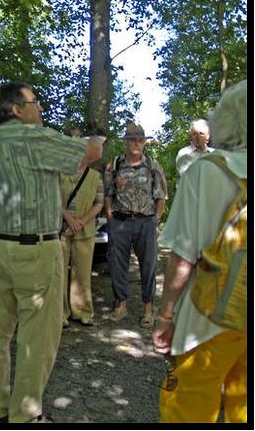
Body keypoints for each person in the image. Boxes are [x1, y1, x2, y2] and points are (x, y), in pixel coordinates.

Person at [0, 82, 105, 423]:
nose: (40, 107)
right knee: (37, 338)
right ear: (17, 109)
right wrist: (97, 140)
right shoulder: (37, 137)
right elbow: (90, 154)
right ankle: (25, 416)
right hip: (37, 250)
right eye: (35, 101)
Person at [152, 80, 247, 423]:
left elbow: (183, 258)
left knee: (189, 408)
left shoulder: (206, 172)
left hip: (209, 319)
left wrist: (165, 316)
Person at [103, 123, 168, 327]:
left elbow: (161, 194)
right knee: (117, 264)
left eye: (140, 140)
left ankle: (148, 308)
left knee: (148, 266)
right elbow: (108, 193)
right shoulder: (114, 165)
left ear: (144, 143)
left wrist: (155, 218)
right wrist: (109, 215)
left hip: (145, 221)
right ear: (125, 141)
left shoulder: (152, 165)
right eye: (132, 139)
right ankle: (121, 305)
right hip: (120, 221)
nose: (136, 143)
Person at [60, 127, 104, 327]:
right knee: (58, 273)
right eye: (97, 148)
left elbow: (99, 203)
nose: (100, 152)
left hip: (84, 230)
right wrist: (69, 219)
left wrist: (80, 222)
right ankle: (60, 313)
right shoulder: (60, 172)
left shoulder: (95, 176)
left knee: (83, 273)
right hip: (60, 229)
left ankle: (82, 311)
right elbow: (51, 198)